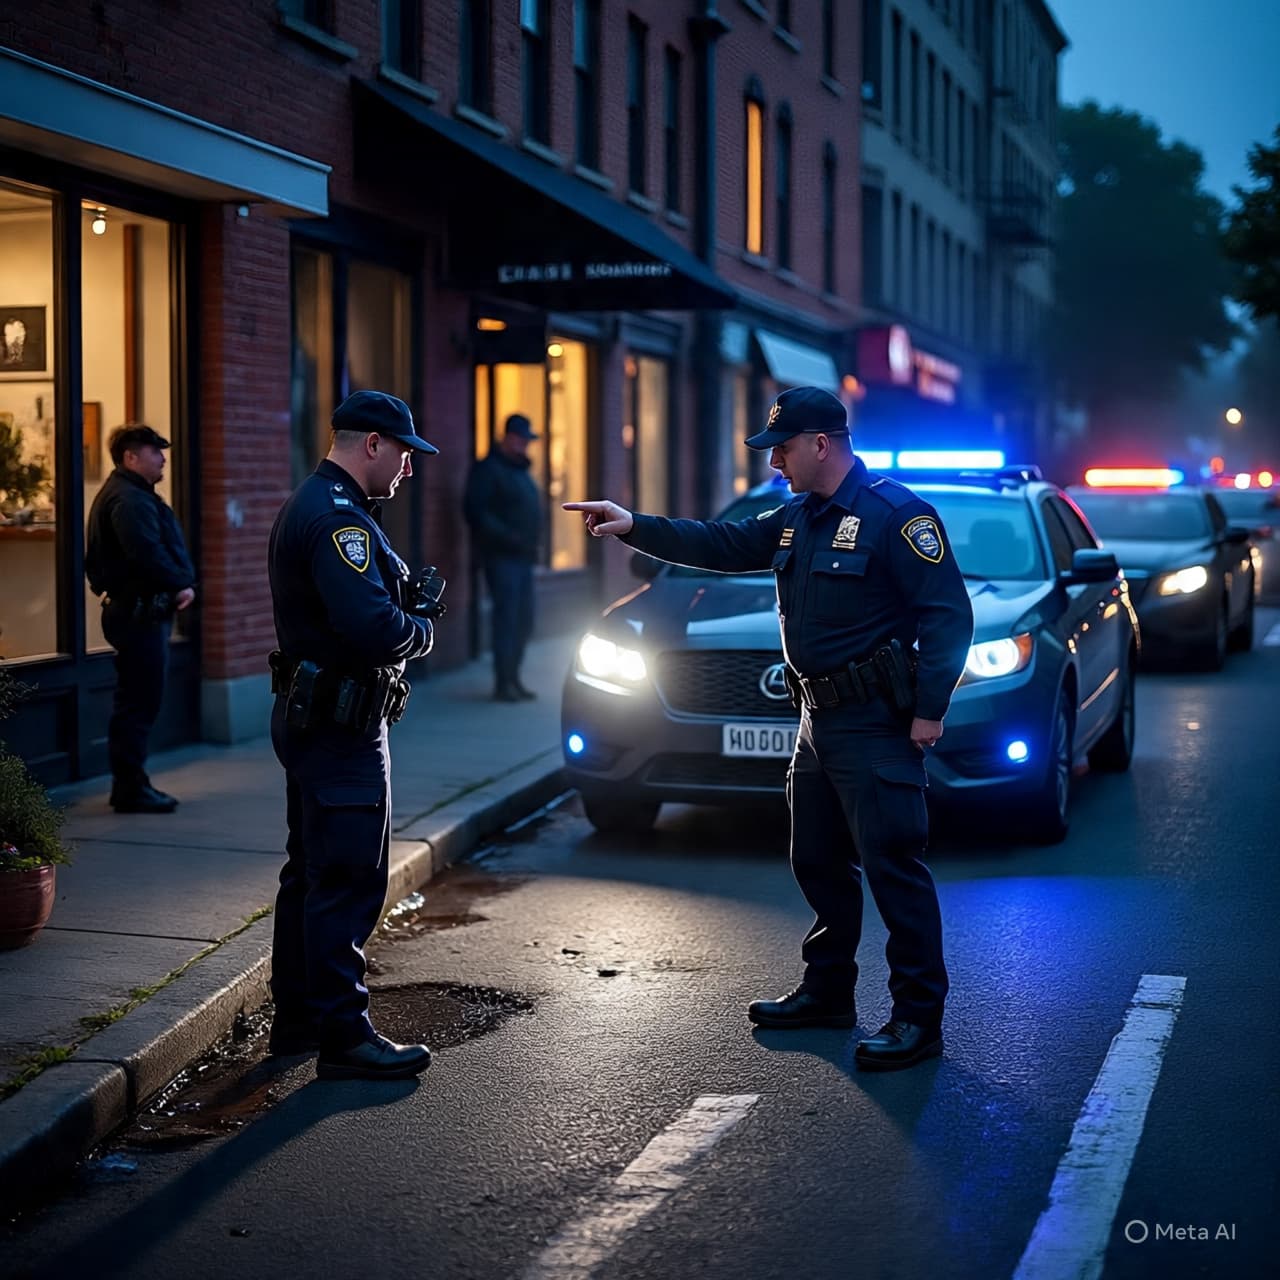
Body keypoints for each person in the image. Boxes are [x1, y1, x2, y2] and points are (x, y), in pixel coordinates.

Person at [565, 386, 974, 1071]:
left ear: (822, 443)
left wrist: (929, 709)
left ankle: (916, 1017)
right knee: (815, 859)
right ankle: (827, 992)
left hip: (876, 723)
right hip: (816, 720)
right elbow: (720, 542)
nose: (775, 462)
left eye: (782, 448)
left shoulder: (898, 518)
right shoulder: (796, 518)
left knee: (893, 868)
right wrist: (633, 523)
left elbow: (948, 618)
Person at [267, 390, 444, 1081]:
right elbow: (373, 629)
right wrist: (423, 634)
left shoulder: (323, 505)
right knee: (345, 877)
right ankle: (344, 1035)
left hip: (317, 719)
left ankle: (299, 1020)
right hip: (340, 726)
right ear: (371, 443)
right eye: (403, 453)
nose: (408, 469)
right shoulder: (338, 519)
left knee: (308, 873)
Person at [84, 424, 196, 814]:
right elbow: (145, 553)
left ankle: (132, 784)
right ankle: (130, 787)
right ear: (131, 457)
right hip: (138, 615)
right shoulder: (129, 500)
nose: (163, 458)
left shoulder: (133, 495)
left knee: (137, 700)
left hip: (139, 613)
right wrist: (180, 584)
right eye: (155, 451)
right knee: (138, 703)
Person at [463, 412, 542, 702]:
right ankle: (503, 682)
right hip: (502, 558)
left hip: (522, 558)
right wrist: (508, 536)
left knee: (524, 619)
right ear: (508, 438)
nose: (525, 445)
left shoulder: (518, 471)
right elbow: (476, 512)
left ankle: (513, 678)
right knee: (507, 619)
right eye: (521, 439)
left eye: (527, 440)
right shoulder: (489, 470)